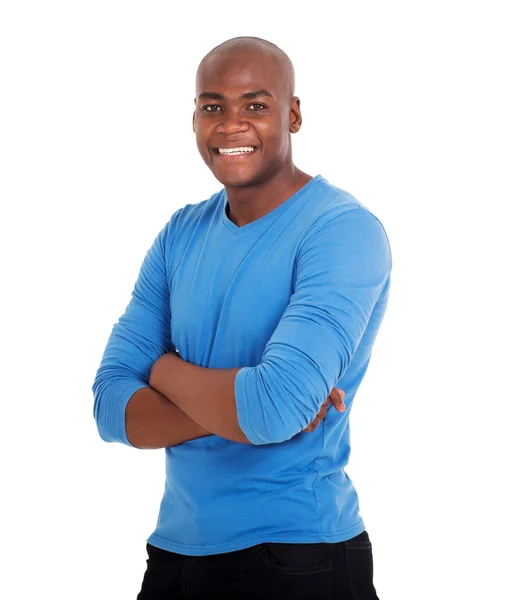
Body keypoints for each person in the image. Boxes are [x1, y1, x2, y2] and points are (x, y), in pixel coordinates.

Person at [92, 36, 392, 600]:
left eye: (255, 106)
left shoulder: (341, 231)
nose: (232, 126)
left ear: (294, 114)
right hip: (174, 556)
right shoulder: (180, 234)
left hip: (297, 557)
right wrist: (251, 405)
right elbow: (111, 408)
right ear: (195, 119)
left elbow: (274, 406)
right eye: (214, 107)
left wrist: (161, 372)